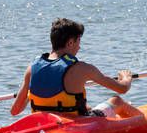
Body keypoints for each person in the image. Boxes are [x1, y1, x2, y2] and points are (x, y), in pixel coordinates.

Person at [11, 18, 139, 119]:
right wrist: (126, 78)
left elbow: (15, 110)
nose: (79, 47)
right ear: (70, 43)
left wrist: (33, 92)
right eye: (78, 41)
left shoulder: (32, 68)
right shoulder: (82, 68)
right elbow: (121, 89)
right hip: (78, 123)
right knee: (116, 100)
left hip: (46, 124)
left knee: (87, 107)